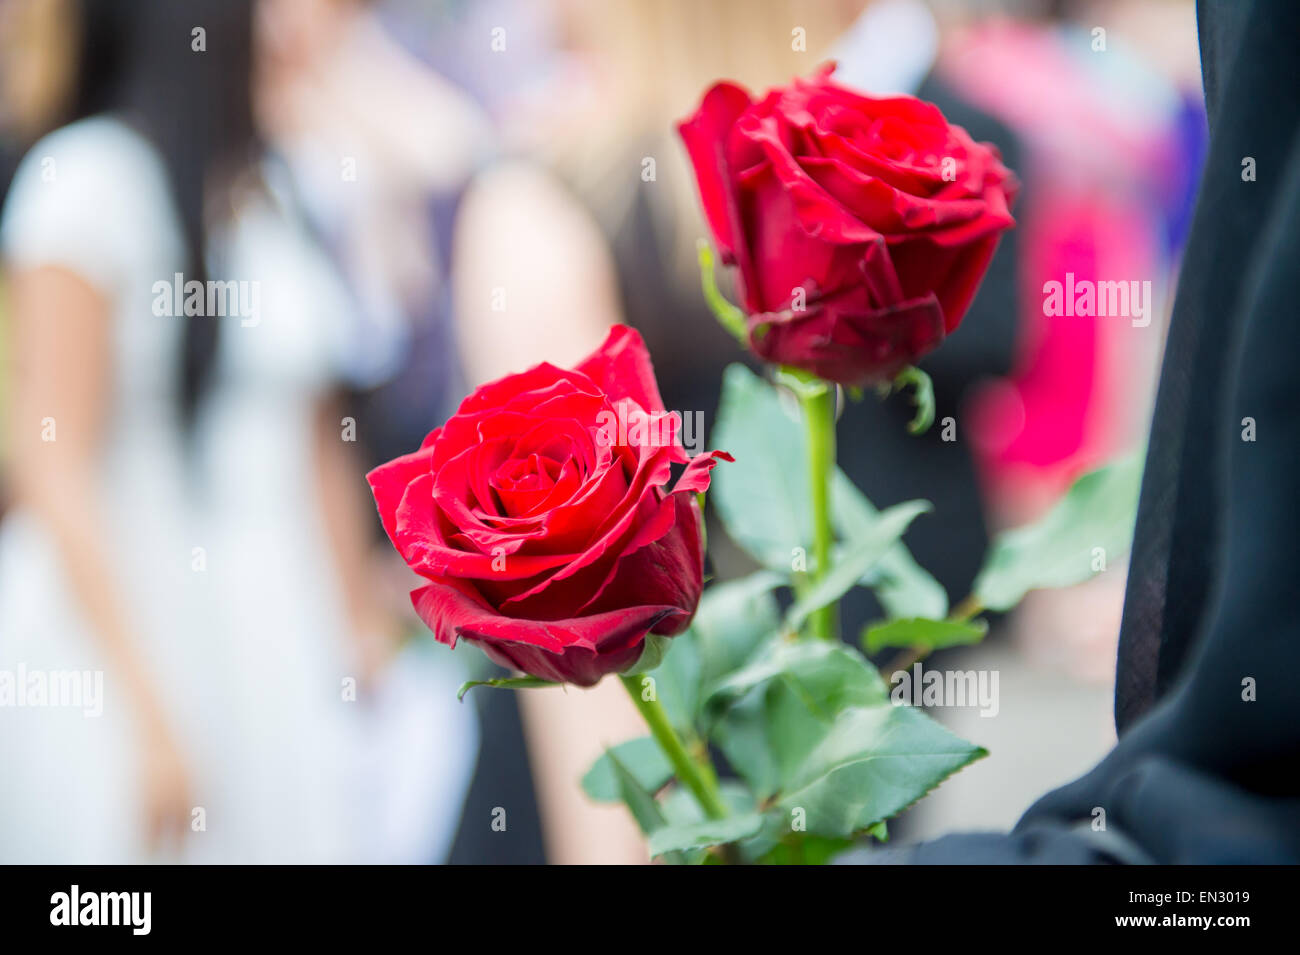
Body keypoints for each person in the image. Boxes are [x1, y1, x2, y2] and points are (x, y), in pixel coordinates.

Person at [846, 0, 1300, 864]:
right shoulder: (1029, 88)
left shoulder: (1031, 91)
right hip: (1091, 286)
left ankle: (1064, 580)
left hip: (1087, 286)